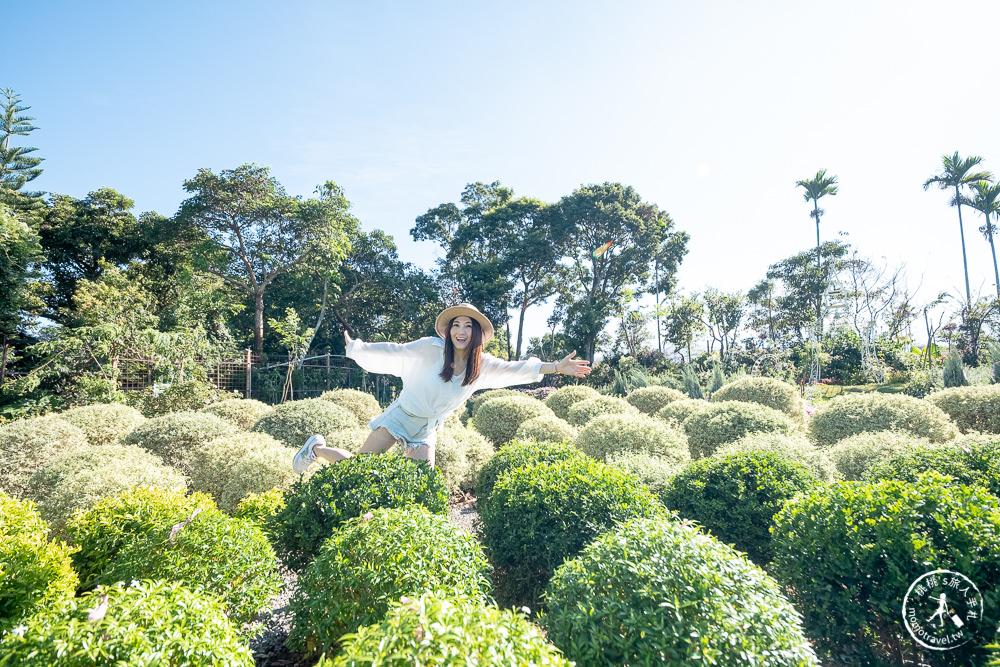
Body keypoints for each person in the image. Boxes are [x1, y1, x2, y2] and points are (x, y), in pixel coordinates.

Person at [292, 302, 591, 473]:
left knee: (423, 484)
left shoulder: (482, 367)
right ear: (449, 330)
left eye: (468, 326)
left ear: (476, 333)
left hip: (426, 429)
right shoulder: (430, 349)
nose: (461, 331)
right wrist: (358, 348)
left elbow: (516, 370)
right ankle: (315, 448)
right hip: (401, 416)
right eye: (456, 325)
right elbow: (395, 351)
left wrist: (555, 366)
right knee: (358, 469)